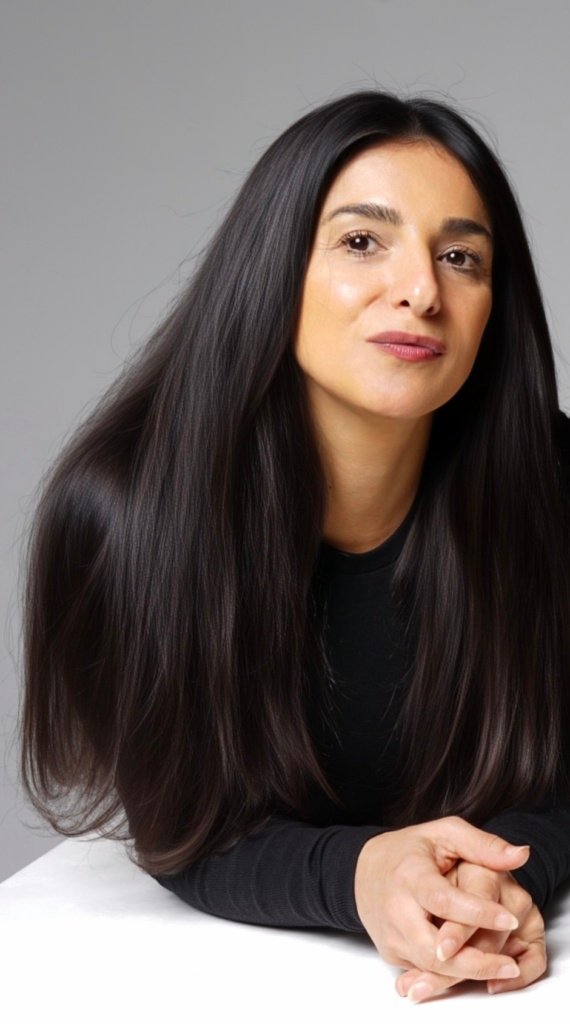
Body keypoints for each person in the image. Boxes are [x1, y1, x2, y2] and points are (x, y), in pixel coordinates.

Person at [19, 89, 570, 1004]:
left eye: (460, 257)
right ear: (274, 268)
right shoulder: (123, 514)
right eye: (362, 241)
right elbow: (183, 826)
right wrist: (361, 878)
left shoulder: (549, 487)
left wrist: (505, 875)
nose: (421, 291)